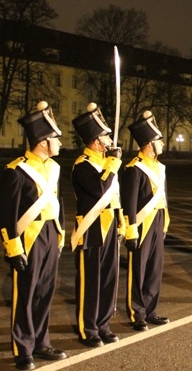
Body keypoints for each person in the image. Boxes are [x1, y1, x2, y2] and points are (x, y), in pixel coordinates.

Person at [0, 101, 67, 370]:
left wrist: (60, 231)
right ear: (43, 142)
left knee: (45, 292)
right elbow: (5, 213)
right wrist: (13, 248)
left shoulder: (53, 168)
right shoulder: (16, 171)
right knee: (25, 295)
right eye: (55, 139)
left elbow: (58, 204)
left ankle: (41, 341)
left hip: (50, 234)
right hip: (29, 236)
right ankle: (23, 349)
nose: (59, 143)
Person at [70, 103, 123, 347]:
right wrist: (112, 164)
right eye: (106, 137)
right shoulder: (82, 164)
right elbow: (99, 189)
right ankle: (88, 329)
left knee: (108, 279)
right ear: (95, 141)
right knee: (90, 280)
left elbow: (114, 196)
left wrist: (121, 222)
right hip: (91, 228)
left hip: (110, 225)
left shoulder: (105, 162)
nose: (110, 141)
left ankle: (103, 324)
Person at [121, 111, 170, 330]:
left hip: (158, 220)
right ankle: (137, 312)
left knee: (154, 268)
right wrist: (130, 230)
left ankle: (151, 309)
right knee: (138, 268)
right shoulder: (134, 168)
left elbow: (164, 197)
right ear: (150, 144)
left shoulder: (159, 167)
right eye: (159, 140)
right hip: (142, 223)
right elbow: (129, 202)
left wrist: (166, 221)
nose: (162, 144)